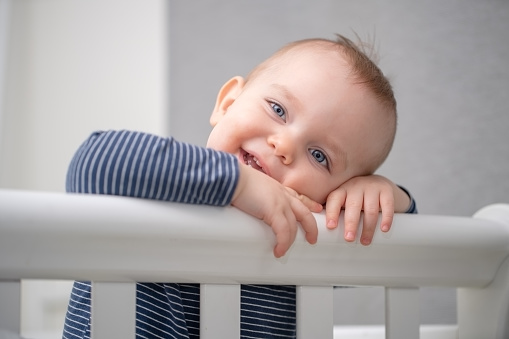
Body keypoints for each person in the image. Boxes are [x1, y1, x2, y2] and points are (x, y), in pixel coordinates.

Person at [62, 35, 417, 339]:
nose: (285, 145)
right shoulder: (161, 184)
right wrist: (237, 183)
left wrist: (387, 197)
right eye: (278, 109)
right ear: (227, 103)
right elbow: (92, 160)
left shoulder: (302, 242)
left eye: (319, 156)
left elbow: (410, 256)